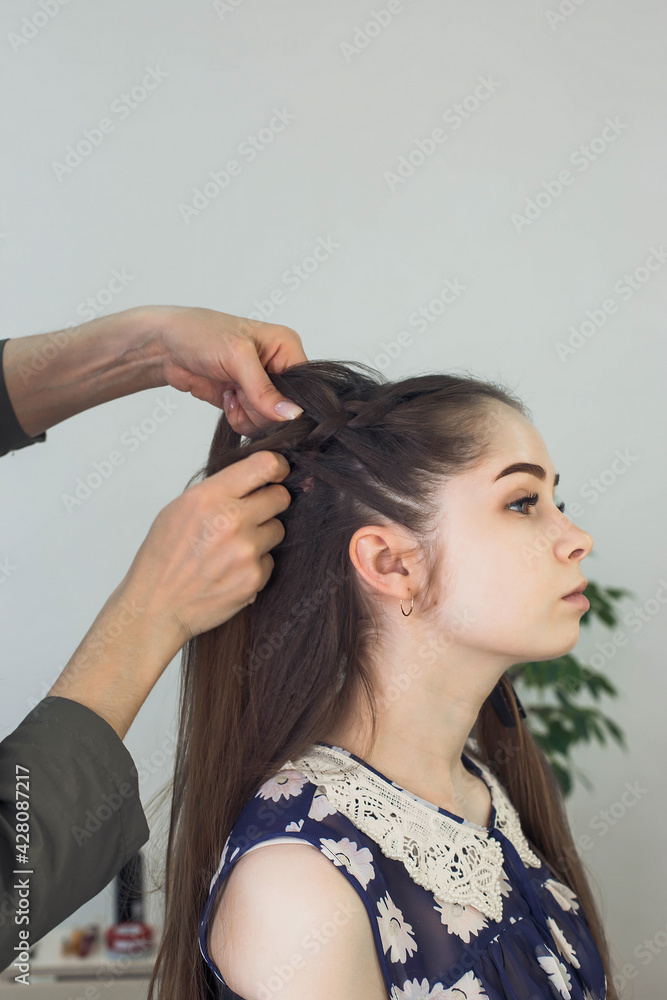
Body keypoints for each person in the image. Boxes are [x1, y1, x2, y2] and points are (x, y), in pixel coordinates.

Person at [148, 359, 617, 1000]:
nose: (577, 538)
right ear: (390, 562)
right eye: (522, 503)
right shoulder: (300, 885)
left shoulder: (483, 785)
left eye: (556, 500)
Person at [0, 304, 308, 973]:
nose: (574, 540)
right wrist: (149, 612)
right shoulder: (301, 868)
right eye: (519, 503)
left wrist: (148, 347)